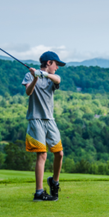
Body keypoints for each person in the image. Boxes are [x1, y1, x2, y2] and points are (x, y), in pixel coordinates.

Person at [22, 51, 66, 201]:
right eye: (56, 64)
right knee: (42, 155)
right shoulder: (30, 76)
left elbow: (58, 79)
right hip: (36, 119)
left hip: (50, 120)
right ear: (49, 63)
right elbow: (28, 92)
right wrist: (35, 77)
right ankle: (39, 192)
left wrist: (44, 75)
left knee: (59, 153)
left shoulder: (51, 78)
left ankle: (54, 182)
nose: (57, 67)